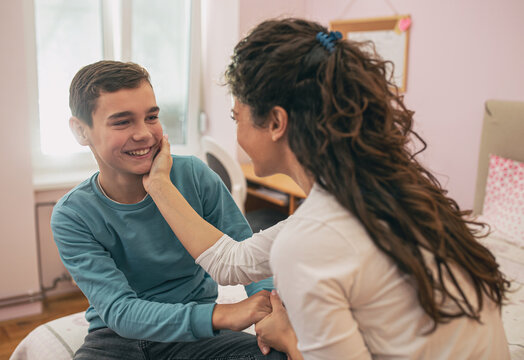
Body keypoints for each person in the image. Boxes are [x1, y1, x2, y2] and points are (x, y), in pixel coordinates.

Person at [143, 18, 512, 359]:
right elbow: (230, 264)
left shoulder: (311, 241)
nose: (237, 132)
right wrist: (159, 184)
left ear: (275, 122)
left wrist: (286, 335)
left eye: (236, 117)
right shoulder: (396, 194)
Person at [51, 60, 286, 360]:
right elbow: (121, 311)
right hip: (116, 340)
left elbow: (249, 257)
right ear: (81, 131)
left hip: (198, 339)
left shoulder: (195, 177)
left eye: (151, 117)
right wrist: (225, 314)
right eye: (122, 122)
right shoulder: (72, 215)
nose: (144, 134)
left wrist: (270, 311)